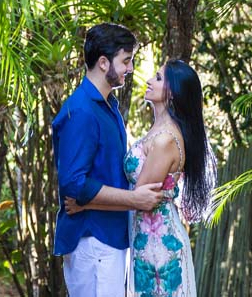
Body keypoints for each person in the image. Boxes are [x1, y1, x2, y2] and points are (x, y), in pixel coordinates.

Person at [67, 59, 217, 297]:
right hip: (146, 238)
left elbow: (138, 198)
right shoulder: (157, 130)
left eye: (158, 78)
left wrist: (84, 203)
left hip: (159, 243)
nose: (148, 80)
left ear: (173, 93)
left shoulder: (165, 140)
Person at [53, 23, 166, 297]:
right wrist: (134, 200)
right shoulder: (81, 111)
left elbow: (93, 183)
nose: (130, 68)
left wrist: (88, 200)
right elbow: (74, 185)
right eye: (126, 60)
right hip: (93, 242)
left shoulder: (108, 106)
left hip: (109, 239)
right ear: (103, 63)